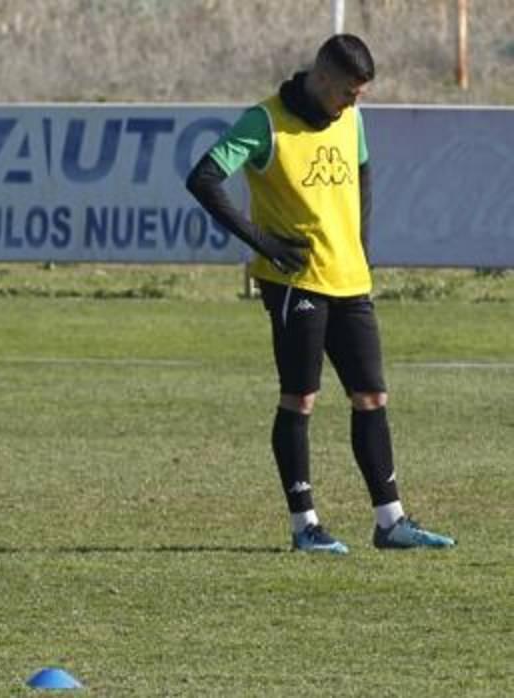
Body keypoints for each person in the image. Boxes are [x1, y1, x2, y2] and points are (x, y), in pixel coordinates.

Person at [186, 34, 455, 554]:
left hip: (350, 280)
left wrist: (361, 244)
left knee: (372, 396)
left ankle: (391, 522)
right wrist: (263, 243)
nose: (355, 103)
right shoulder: (264, 122)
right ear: (323, 76)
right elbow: (203, 178)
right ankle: (304, 525)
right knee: (301, 398)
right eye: (350, 92)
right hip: (295, 284)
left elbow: (362, 172)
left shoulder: (352, 120)